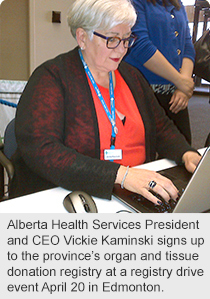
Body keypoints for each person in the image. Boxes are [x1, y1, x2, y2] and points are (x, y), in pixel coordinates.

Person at [10, 0, 201, 205]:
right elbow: (43, 150)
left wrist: (186, 153)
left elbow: (161, 128)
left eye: (127, 39)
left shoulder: (132, 77)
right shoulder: (51, 78)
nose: (122, 50)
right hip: (75, 195)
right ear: (82, 37)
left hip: (132, 190)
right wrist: (121, 175)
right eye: (112, 40)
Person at [124, 0, 195, 144]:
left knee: (184, 147)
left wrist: (183, 85)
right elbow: (140, 46)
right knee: (144, 152)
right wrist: (180, 81)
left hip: (176, 92)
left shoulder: (177, 3)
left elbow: (188, 45)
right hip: (143, 91)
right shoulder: (135, 2)